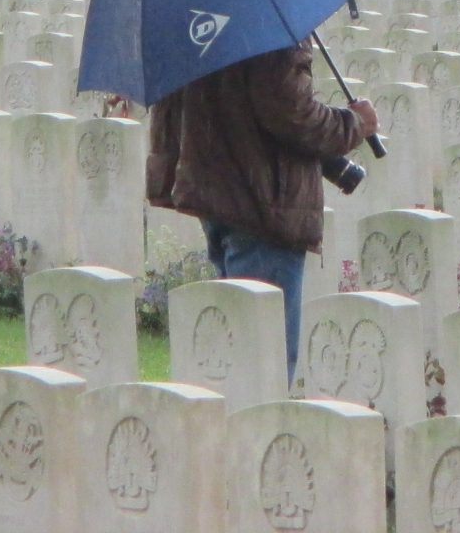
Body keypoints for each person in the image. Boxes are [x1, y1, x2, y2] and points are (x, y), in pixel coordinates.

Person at [145, 40, 380, 380]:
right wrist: (355, 123)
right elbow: (291, 113)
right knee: (264, 365)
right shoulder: (271, 29)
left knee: (240, 357)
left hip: (218, 195)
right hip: (265, 208)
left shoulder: (196, 19)